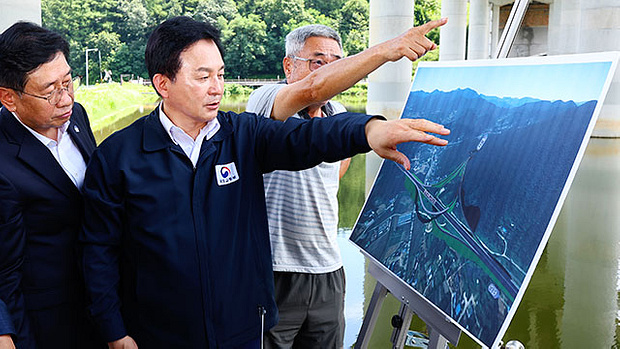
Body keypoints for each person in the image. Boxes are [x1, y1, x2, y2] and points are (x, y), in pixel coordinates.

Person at [79, 16, 450, 349]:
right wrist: (114, 330)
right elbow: (99, 251)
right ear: (163, 83)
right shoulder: (119, 156)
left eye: (221, 75)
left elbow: (309, 138)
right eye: (202, 76)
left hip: (240, 330)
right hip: (159, 334)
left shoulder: (242, 136)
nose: (216, 88)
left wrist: (369, 129)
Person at [246, 20, 446, 347]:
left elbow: (335, 174)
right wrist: (387, 50)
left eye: (336, 62)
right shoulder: (266, 102)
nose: (329, 70)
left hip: (328, 270)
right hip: (274, 272)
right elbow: (312, 89)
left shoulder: (337, 112)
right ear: (288, 65)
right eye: (317, 61)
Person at [0, 22, 103, 349]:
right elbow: (5, 277)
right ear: (8, 98)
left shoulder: (77, 117)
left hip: (100, 306)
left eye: (69, 82)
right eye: (50, 90)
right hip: (48, 324)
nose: (66, 98)